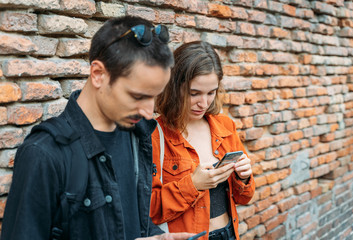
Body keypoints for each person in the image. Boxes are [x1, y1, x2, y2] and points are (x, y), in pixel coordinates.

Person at [1, 16, 194, 240]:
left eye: (154, 97)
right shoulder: (44, 154)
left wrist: (154, 236)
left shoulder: (137, 136)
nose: (148, 112)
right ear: (98, 75)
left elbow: (131, 221)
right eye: (137, 96)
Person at [150, 41, 255, 240]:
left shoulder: (225, 126)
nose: (204, 103)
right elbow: (150, 209)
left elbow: (244, 197)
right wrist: (193, 185)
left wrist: (243, 177)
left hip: (230, 234)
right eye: (194, 93)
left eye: (211, 93)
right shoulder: (156, 135)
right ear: (174, 87)